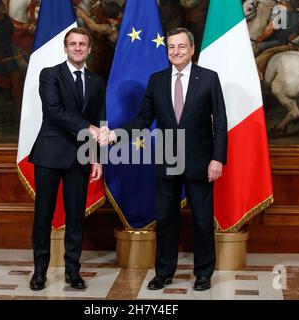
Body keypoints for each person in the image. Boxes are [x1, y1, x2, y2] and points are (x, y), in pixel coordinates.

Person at [101, 28, 228, 291]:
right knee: (166, 219)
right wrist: (114, 134)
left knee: (202, 220)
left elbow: (220, 123)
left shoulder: (209, 78)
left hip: (200, 161)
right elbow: (143, 120)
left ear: (192, 50)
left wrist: (217, 159)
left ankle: (203, 273)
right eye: (171, 47)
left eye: (181, 46)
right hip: (167, 159)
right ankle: (164, 272)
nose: (176, 51)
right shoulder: (157, 80)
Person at [28, 27, 105, 291]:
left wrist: (97, 158)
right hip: (50, 154)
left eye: (82, 44)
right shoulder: (49, 75)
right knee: (43, 216)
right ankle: (39, 271)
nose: (77, 48)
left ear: (89, 49)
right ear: (65, 47)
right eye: (72, 44)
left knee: (75, 218)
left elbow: (100, 119)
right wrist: (90, 128)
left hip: (81, 157)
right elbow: (55, 112)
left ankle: (73, 271)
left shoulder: (96, 81)